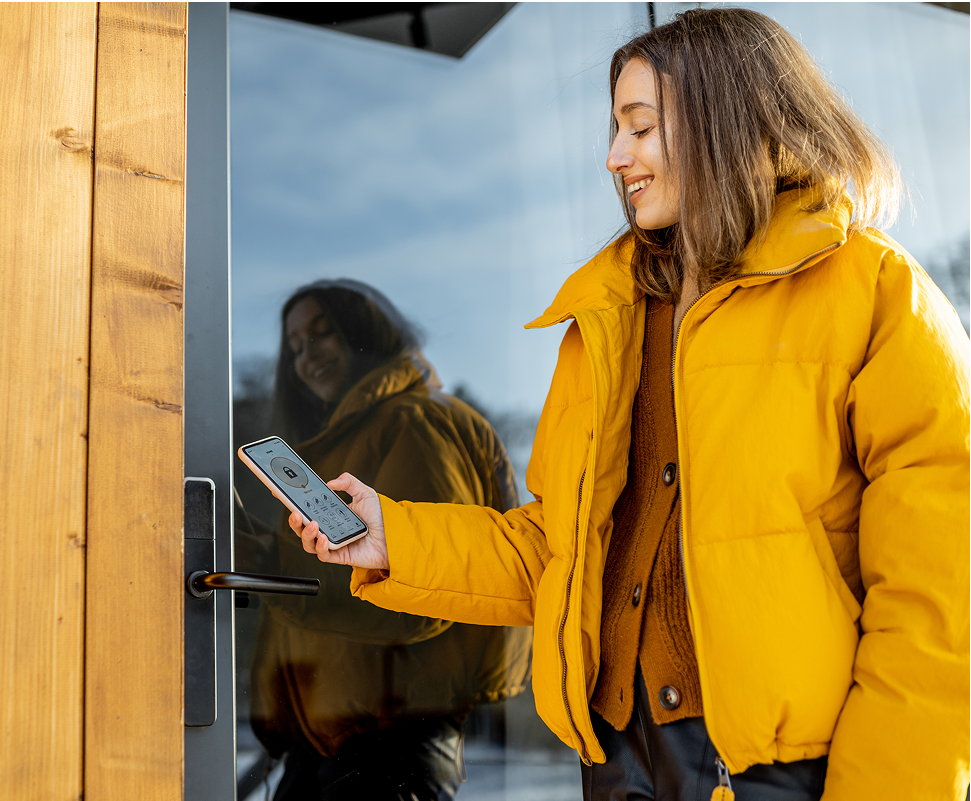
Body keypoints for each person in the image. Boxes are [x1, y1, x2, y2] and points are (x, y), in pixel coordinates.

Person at [287, 9, 970, 801]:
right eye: (616, 129)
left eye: (640, 128)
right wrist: (391, 537)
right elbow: (561, 554)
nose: (615, 157)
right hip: (618, 761)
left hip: (779, 772)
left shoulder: (877, 296)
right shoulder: (611, 320)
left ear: (725, 121)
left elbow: (938, 604)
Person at [242, 279, 533, 801]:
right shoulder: (354, 432)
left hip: (390, 741)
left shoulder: (416, 422)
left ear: (364, 331)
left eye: (323, 333)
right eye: (295, 346)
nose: (307, 356)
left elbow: (426, 590)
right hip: (334, 735)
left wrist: (268, 570)